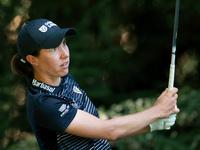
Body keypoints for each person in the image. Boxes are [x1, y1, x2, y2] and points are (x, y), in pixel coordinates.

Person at [11, 19, 180, 150]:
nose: (65, 54)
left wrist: (150, 126)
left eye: (63, 43)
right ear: (32, 60)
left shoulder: (62, 77)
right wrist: (157, 111)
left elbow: (97, 133)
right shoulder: (44, 104)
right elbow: (109, 131)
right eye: (53, 49)